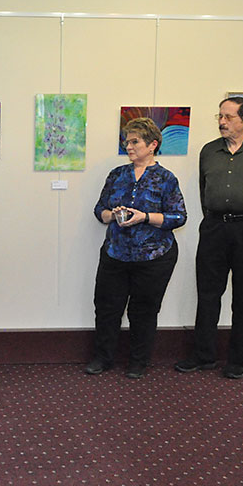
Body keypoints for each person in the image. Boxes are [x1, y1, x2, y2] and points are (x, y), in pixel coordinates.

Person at [175, 97, 243, 379]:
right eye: (219, 116)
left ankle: (238, 359)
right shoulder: (209, 151)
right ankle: (204, 355)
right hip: (214, 228)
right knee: (208, 293)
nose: (222, 122)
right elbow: (203, 190)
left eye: (228, 117)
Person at [85, 117, 187, 379]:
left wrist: (144, 216)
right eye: (126, 141)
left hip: (154, 256)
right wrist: (111, 214)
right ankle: (103, 358)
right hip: (115, 253)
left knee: (143, 311)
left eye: (134, 141)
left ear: (152, 144)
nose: (128, 146)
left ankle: (138, 362)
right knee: (107, 308)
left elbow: (179, 217)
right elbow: (99, 210)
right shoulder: (117, 175)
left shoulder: (166, 178)